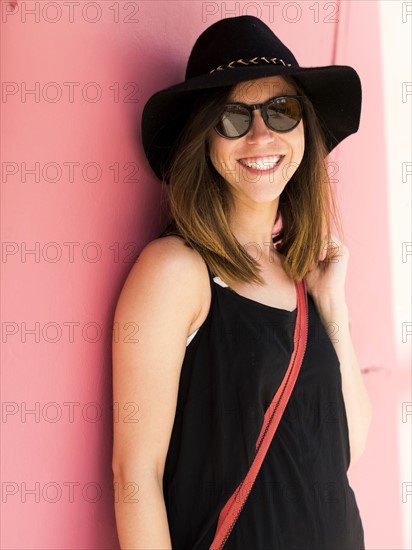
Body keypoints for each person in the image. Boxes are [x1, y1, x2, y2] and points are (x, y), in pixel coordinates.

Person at [111, 15, 372, 550]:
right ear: (203, 138)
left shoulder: (303, 278)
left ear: (305, 128)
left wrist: (332, 307)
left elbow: (349, 444)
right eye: (233, 117)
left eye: (283, 111)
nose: (261, 136)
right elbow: (134, 473)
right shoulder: (175, 271)